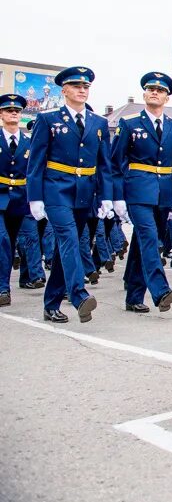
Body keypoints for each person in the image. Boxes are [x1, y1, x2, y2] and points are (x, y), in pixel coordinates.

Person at [27, 67, 113, 323]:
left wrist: (106, 196)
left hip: (84, 192)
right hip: (56, 189)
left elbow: (104, 164)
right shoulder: (48, 119)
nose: (82, 90)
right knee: (69, 240)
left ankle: (51, 304)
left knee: (66, 247)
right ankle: (78, 295)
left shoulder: (98, 122)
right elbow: (36, 161)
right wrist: (35, 197)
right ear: (64, 90)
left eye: (86, 87)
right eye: (76, 86)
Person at [110, 72, 172, 313]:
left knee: (144, 243)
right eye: (150, 88)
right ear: (144, 93)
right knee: (149, 237)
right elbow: (116, 162)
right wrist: (118, 196)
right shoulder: (129, 123)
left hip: (164, 192)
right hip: (137, 189)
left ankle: (133, 297)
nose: (155, 92)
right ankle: (160, 290)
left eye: (160, 90)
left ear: (167, 97)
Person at [0, 95, 32, 307]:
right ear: (1, 114)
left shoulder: (29, 142)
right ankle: (3, 288)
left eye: (17, 111)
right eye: (9, 110)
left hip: (20, 199)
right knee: (1, 240)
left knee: (10, 244)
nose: (14, 113)